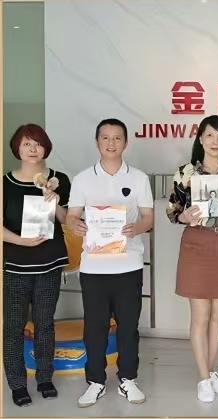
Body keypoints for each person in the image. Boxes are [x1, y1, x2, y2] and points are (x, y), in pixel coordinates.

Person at [66, 119, 154, 408]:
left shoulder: (139, 178)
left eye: (117, 138)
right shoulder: (82, 179)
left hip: (129, 265)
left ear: (126, 143)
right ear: (97, 142)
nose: (111, 143)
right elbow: (71, 216)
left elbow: (148, 218)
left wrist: (136, 228)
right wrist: (75, 225)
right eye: (105, 137)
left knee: (128, 327)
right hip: (93, 268)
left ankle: (128, 379)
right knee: (95, 328)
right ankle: (96, 382)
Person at [166, 115, 218, 403]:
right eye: (210, 135)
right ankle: (203, 378)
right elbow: (172, 211)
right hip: (196, 244)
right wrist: (184, 216)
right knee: (200, 316)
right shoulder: (186, 172)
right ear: (200, 139)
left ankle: (210, 371)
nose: (215, 141)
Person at [3, 124, 71, 407]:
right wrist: (20, 240)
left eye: (38, 144)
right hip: (16, 265)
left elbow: (68, 220)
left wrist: (55, 202)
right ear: (17, 148)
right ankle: (17, 384)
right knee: (14, 326)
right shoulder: (5, 183)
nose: (33, 149)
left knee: (45, 323)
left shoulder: (59, 179)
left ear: (46, 148)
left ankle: (44, 378)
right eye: (26, 144)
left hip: (49, 263)